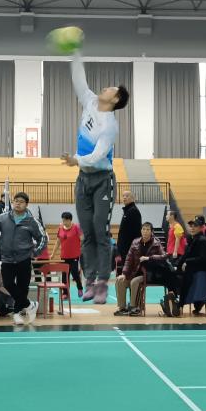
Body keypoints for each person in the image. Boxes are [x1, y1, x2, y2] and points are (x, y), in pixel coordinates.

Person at [60, 46, 130, 304]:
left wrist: (75, 159)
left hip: (102, 181)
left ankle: (102, 281)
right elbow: (79, 79)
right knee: (87, 233)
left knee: (100, 231)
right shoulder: (90, 101)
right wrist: (74, 52)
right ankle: (89, 281)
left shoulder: (110, 126)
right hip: (83, 179)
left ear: (115, 99)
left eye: (111, 88)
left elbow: (99, 155)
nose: (106, 87)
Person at [0, 192, 47, 325]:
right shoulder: (3, 218)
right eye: (16, 201)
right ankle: (30, 305)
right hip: (7, 259)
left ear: (26, 204)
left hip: (24, 259)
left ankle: (17, 314)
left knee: (23, 288)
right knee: (8, 284)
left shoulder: (32, 221)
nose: (18, 203)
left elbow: (43, 238)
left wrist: (36, 252)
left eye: (21, 201)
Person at [159, 218, 206, 316]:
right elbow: (186, 255)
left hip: (202, 270)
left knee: (179, 278)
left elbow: (203, 259)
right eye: (191, 226)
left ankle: (177, 302)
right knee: (171, 275)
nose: (192, 228)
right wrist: (178, 265)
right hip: (194, 267)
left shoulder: (202, 240)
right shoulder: (193, 239)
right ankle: (175, 300)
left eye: (195, 226)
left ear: (201, 228)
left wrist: (187, 262)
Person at [114, 221, 163, 316]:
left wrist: (149, 258)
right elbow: (128, 259)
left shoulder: (156, 243)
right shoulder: (135, 242)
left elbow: (163, 256)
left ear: (151, 232)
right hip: (134, 272)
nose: (145, 231)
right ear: (141, 231)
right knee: (120, 281)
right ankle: (122, 308)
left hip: (149, 273)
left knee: (134, 282)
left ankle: (134, 307)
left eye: (148, 229)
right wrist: (124, 274)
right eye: (143, 229)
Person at [56, 211, 84, 297]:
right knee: (64, 275)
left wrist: (79, 248)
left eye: (65, 220)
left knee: (75, 273)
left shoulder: (76, 227)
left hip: (74, 256)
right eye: (63, 220)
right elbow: (58, 242)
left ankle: (80, 288)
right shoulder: (60, 228)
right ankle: (65, 293)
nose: (63, 222)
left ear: (69, 220)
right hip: (64, 256)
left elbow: (82, 239)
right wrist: (53, 253)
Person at [116, 191, 142, 272]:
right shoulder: (128, 210)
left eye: (127, 196)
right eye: (123, 196)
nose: (124, 197)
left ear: (133, 198)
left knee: (129, 270)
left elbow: (136, 232)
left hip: (129, 248)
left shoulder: (133, 211)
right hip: (125, 248)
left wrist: (132, 248)